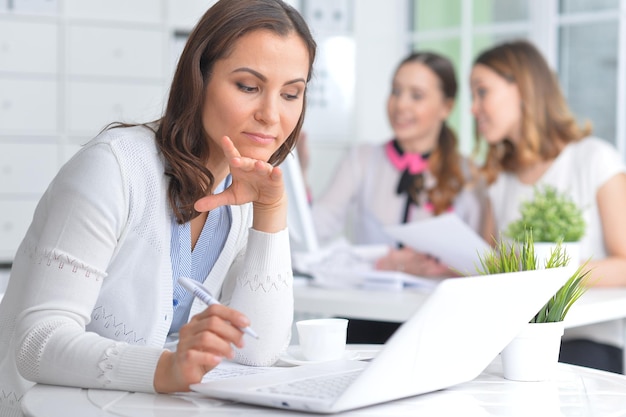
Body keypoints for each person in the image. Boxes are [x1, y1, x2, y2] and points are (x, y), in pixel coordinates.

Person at [0, 0, 316, 415]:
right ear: (199, 79)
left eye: (291, 93)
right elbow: (36, 343)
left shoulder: (243, 191)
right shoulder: (114, 167)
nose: (271, 115)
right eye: (248, 86)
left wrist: (270, 212)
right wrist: (165, 368)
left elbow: (259, 351)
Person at [304, 52, 485, 342]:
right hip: (368, 317)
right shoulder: (361, 159)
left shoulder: (470, 176)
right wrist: (299, 180)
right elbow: (314, 231)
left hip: (437, 323)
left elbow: (482, 266)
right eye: (396, 91)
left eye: (417, 95)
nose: (401, 104)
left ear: (446, 107)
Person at [470, 39, 626, 373]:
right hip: (511, 341)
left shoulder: (595, 160)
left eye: (482, 92)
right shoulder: (497, 181)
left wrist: (552, 275)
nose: (473, 108)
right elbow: (487, 267)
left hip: (585, 342)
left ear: (523, 88)